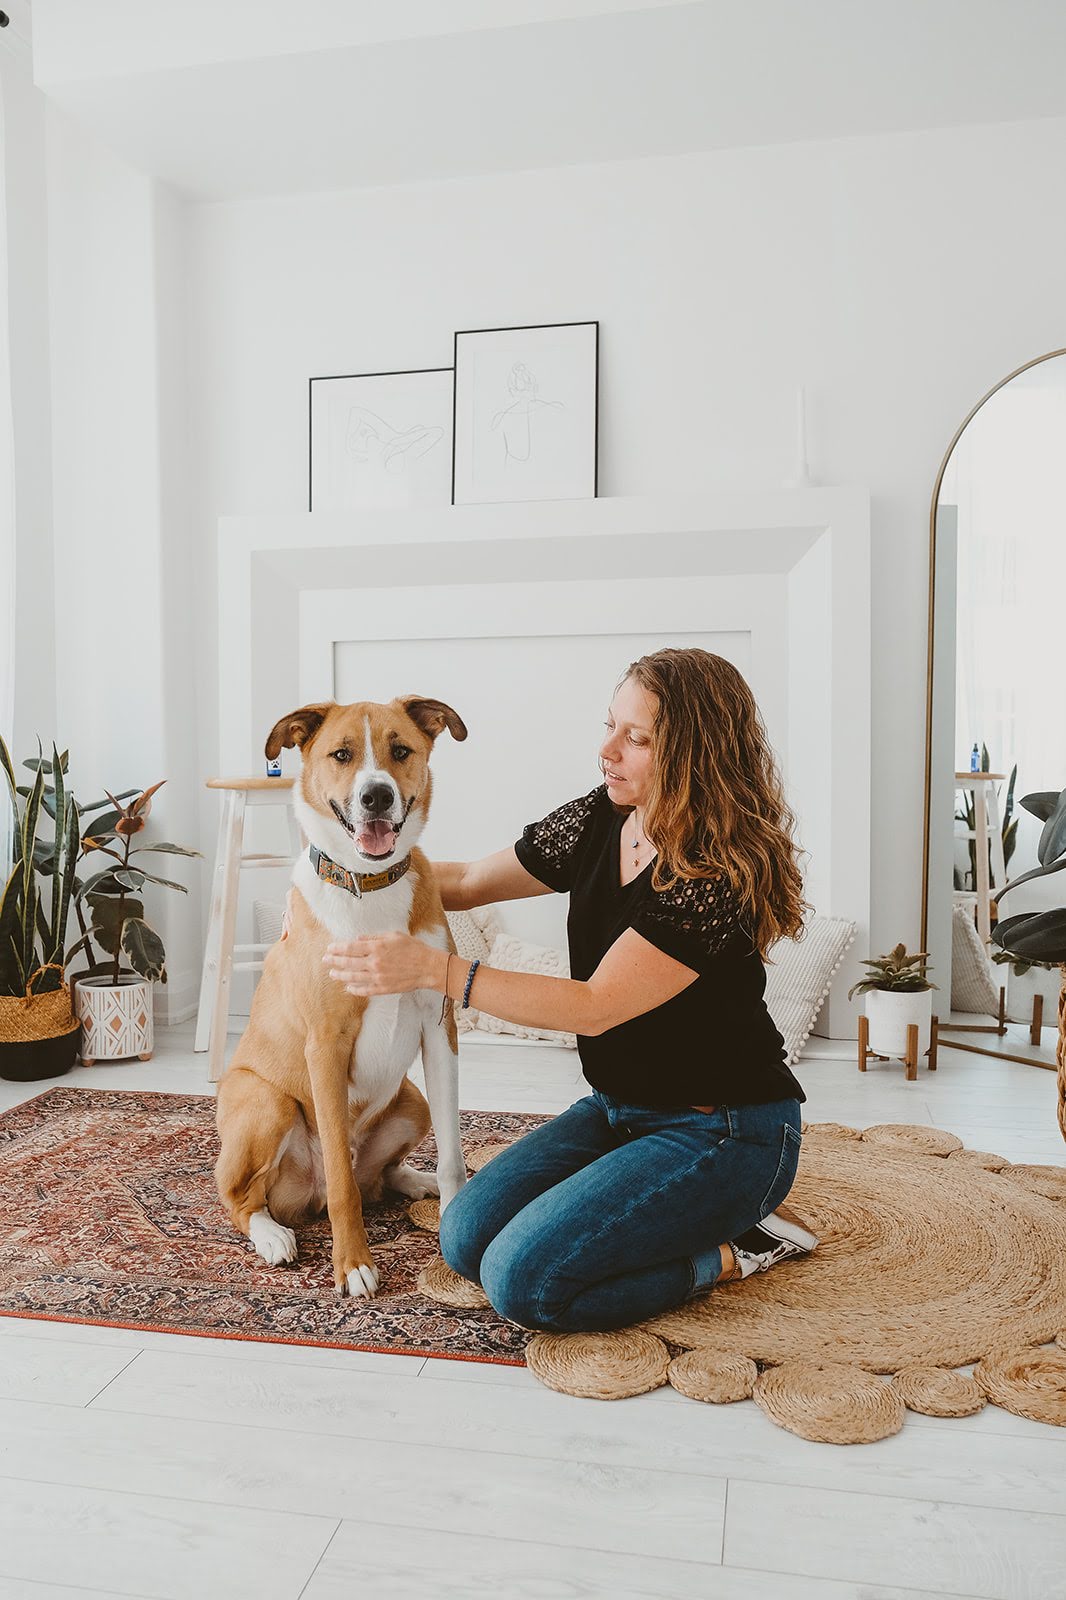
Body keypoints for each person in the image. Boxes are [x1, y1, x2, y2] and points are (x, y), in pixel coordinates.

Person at [321, 648, 817, 1333]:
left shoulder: (709, 876)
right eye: (609, 725)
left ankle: (740, 1249)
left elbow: (595, 1005)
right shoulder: (602, 818)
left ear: (693, 755)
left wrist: (434, 970)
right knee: (464, 1237)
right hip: (620, 1109)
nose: (607, 750)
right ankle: (645, 1194)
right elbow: (461, 884)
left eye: (636, 739)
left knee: (525, 1284)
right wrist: (339, 871)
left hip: (724, 1129)